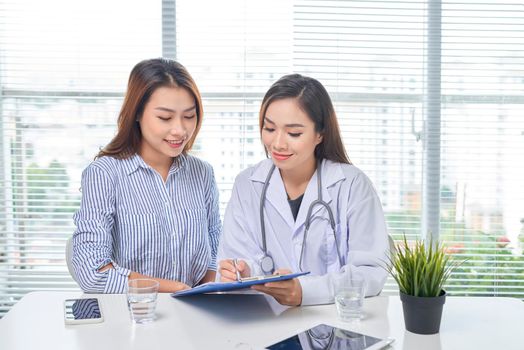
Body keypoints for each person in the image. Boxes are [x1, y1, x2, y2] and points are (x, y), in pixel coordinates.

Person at [217, 74, 388, 306]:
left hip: (334, 326)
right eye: (269, 128)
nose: (277, 143)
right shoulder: (247, 184)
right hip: (267, 324)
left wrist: (306, 292)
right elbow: (236, 258)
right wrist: (244, 271)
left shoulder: (352, 185)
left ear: (320, 134)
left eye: (294, 133)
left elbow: (371, 273)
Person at [72, 58, 221, 293]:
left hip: (196, 316)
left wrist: (210, 291)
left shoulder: (202, 173)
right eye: (165, 118)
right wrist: (176, 289)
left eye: (189, 116)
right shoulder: (105, 174)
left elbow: (216, 248)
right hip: (133, 318)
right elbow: (92, 272)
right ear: (137, 113)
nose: (180, 130)